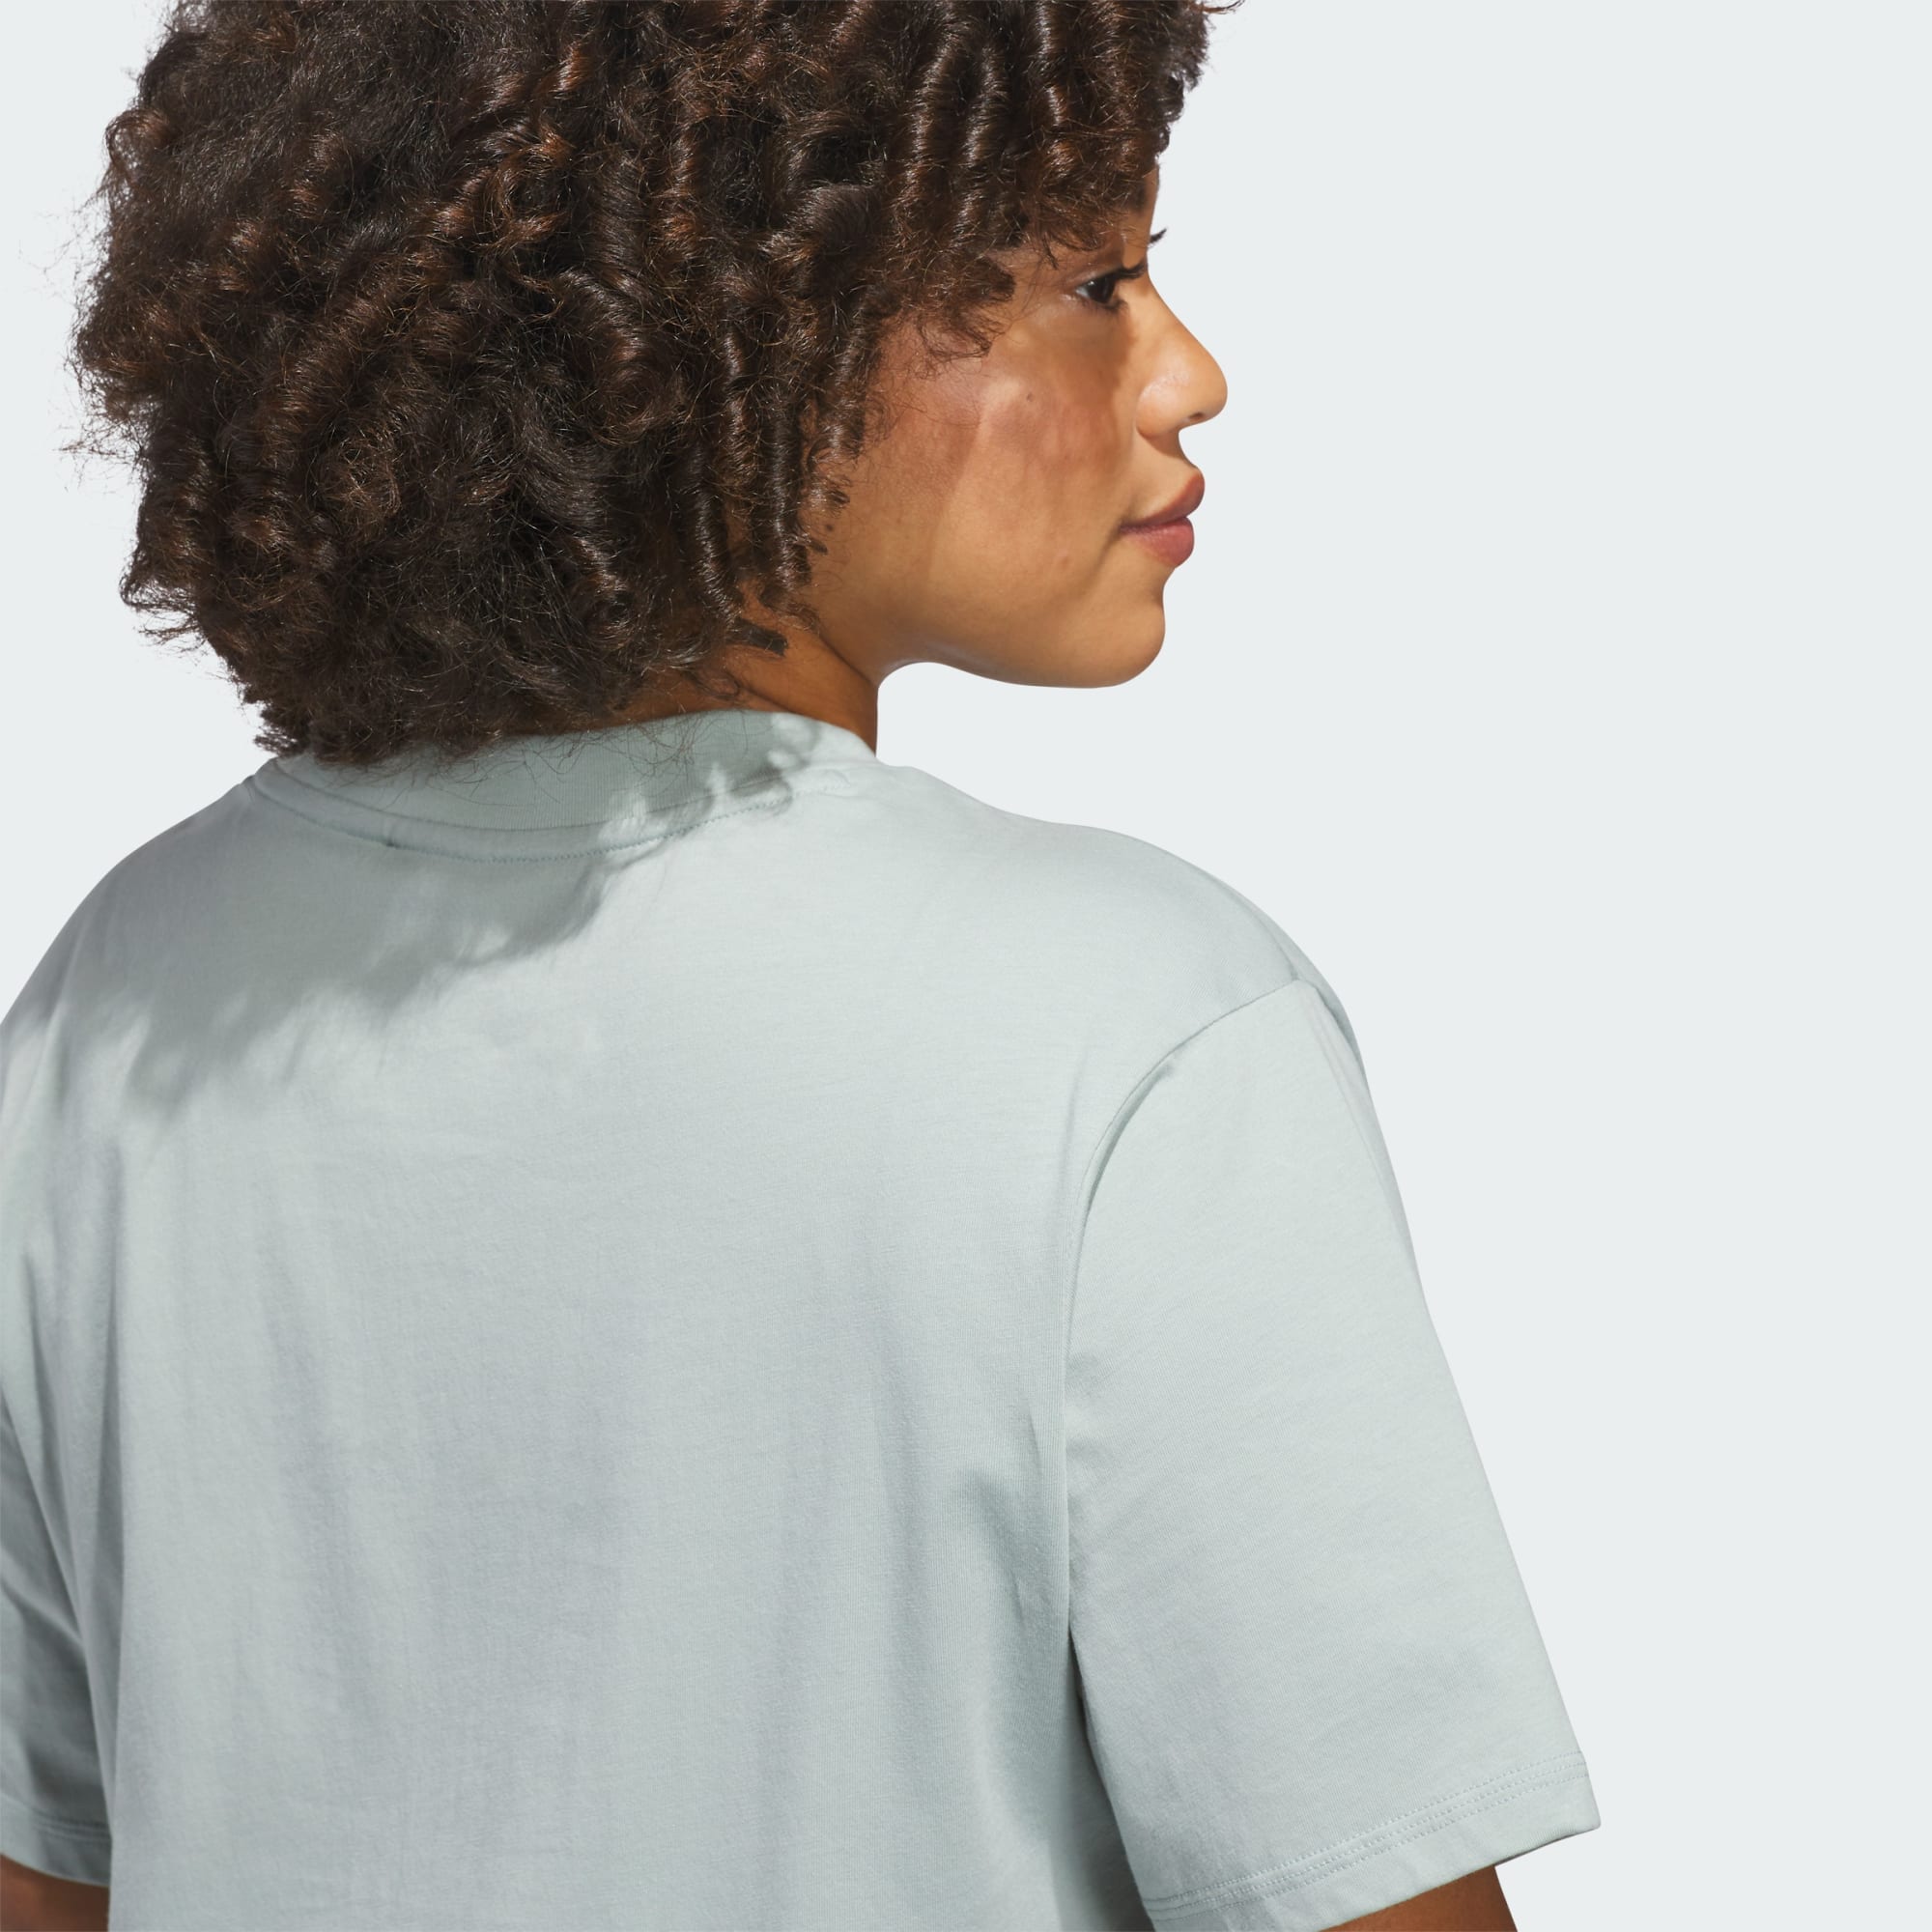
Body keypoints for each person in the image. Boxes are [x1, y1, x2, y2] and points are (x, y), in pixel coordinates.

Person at [0, 4, 1600, 1928]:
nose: (1190, 374)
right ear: (745, 321)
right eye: (1092, 284)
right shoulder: (1132, 1036)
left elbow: (50, 1878)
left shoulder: (112, 1011)